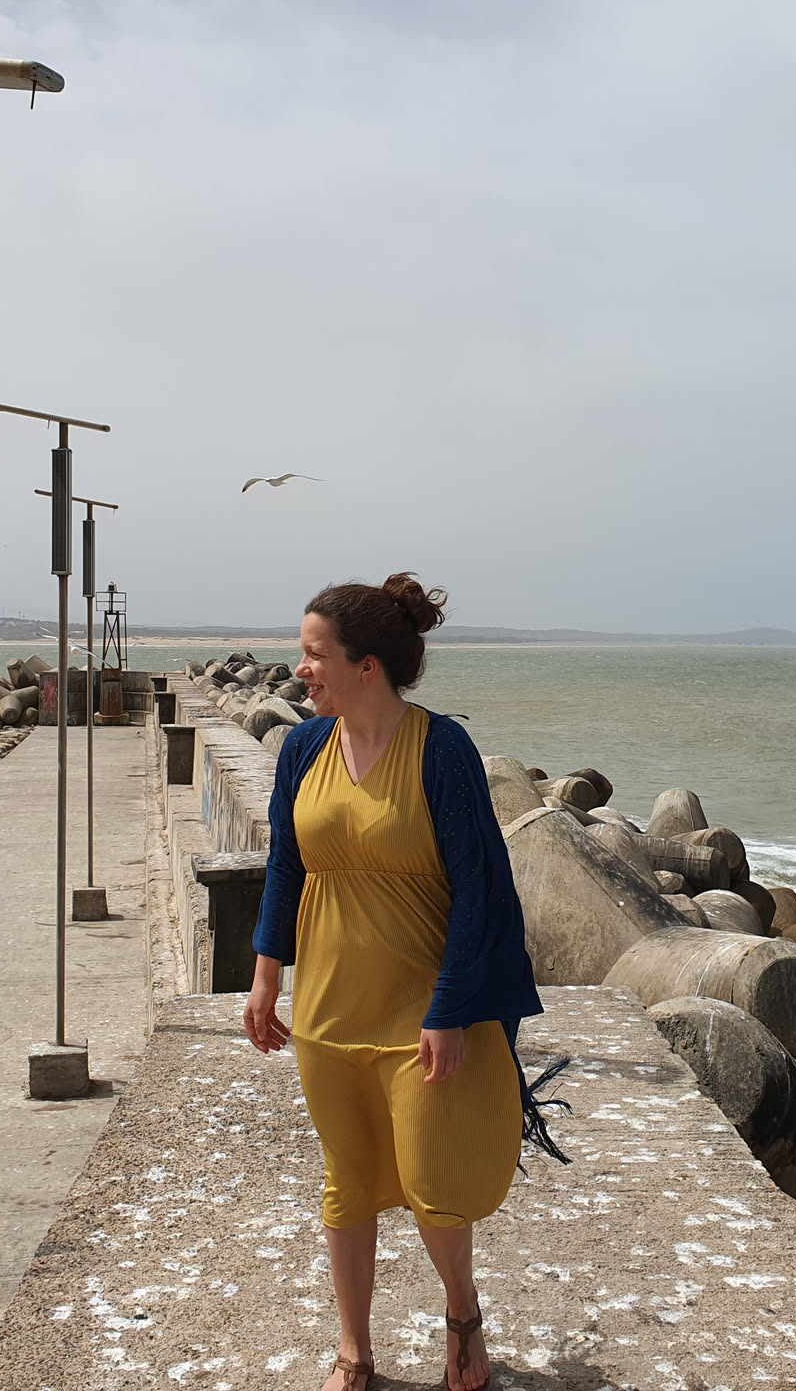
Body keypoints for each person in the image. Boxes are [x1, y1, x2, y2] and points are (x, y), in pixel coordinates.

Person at [242, 573, 564, 1391]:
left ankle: (462, 1310)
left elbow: (479, 887)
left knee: (433, 1183)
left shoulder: (440, 749)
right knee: (345, 1183)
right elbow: (285, 866)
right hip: (328, 1010)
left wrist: (451, 1009)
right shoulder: (303, 750)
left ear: (366, 667)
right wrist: (265, 975)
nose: (300, 670)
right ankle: (354, 1351)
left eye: (314, 655)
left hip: (419, 1012)